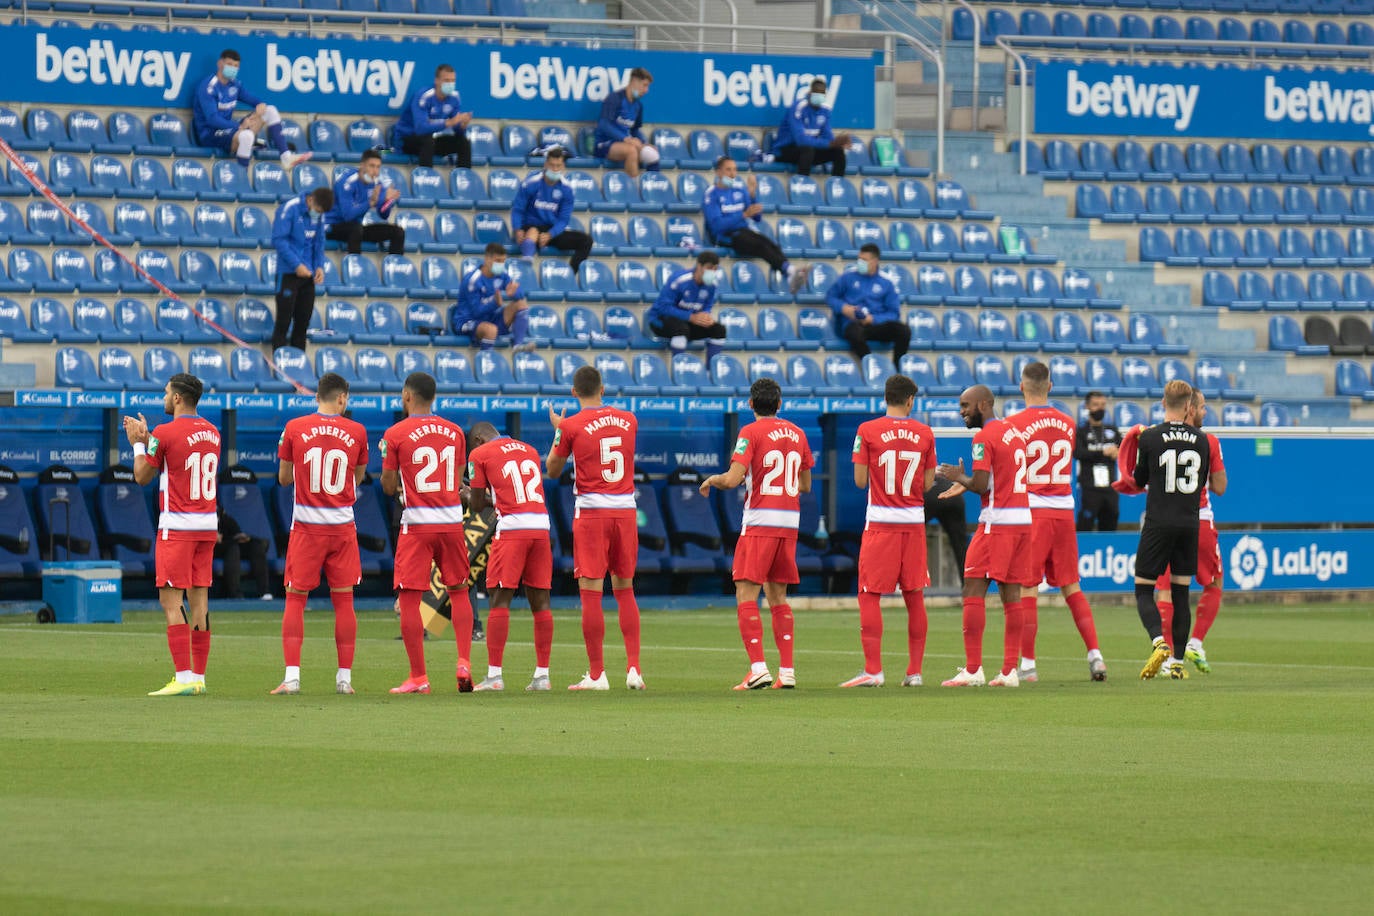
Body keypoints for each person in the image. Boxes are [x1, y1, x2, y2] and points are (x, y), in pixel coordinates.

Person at [699, 377, 813, 690]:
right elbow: (805, 485)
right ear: (779, 404)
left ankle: (758, 668)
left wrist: (713, 479)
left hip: (761, 521)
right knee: (778, 597)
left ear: (751, 404)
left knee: (746, 592)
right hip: (789, 523)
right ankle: (787, 671)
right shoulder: (798, 433)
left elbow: (734, 479)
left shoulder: (750, 432)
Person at [545, 365, 644, 691]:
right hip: (626, 511)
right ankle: (634, 669)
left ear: (574, 393)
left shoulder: (571, 425)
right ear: (603, 389)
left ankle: (598, 674)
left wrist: (559, 431)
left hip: (592, 512)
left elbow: (553, 470)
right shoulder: (629, 419)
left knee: (590, 592)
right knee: (625, 589)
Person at [122, 373, 221, 696]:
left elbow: (141, 476)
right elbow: (178, 456)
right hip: (206, 525)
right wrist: (151, 439)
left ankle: (182, 675)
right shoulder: (213, 432)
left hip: (177, 526)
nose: (164, 398)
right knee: (199, 600)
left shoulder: (164, 432)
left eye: (166, 393)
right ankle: (199, 678)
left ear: (178, 397)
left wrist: (139, 442)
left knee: (169, 599)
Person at [271, 372, 369, 696]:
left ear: (318, 396)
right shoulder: (357, 431)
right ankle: (344, 680)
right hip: (342, 527)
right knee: (344, 602)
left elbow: (284, 478)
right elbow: (358, 477)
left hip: (307, 527)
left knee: (296, 600)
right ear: (342, 398)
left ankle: (292, 677)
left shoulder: (294, 428)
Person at [381, 371, 478, 694]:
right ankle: (463, 661)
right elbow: (459, 477)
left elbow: (389, 484)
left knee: (409, 599)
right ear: (433, 397)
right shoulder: (454, 432)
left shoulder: (395, 433)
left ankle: (418, 677)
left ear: (407, 396)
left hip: (417, 523)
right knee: (459, 591)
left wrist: (397, 487)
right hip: (451, 521)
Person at [1010, 362, 1107, 683]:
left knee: (1028, 586)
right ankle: (1095, 656)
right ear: (1050, 387)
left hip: (1033, 511)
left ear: (1022, 386)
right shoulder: (1067, 423)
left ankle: (1028, 664)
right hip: (1064, 510)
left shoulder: (1014, 424)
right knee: (1071, 586)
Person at [841, 374, 936, 688]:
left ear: (886, 397)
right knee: (914, 595)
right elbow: (928, 483)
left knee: (869, 595)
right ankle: (915, 672)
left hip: (881, 523)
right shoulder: (925, 433)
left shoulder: (867, 430)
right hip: (913, 523)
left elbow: (857, 480)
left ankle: (873, 670)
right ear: (910, 400)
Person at [935, 384, 1032, 688]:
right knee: (1011, 596)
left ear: (984, 404)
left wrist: (957, 477)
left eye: (966, 405)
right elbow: (997, 478)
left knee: (972, 589)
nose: (961, 411)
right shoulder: (1014, 432)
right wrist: (967, 482)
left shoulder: (984, 436)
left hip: (996, 524)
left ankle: (974, 669)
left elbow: (980, 484)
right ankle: (1009, 671)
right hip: (1022, 522)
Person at [1140, 388, 1227, 674]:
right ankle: (1191, 646)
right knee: (1202, 586)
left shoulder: (1152, 435)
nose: (1204, 412)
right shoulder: (1207, 441)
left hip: (1160, 520)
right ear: (1189, 407)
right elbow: (1219, 487)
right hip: (1195, 520)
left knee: (1159, 592)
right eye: (1201, 407)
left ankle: (1163, 651)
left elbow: (1139, 479)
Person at [465, 421, 555, 692]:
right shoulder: (528, 450)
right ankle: (542, 676)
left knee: (498, 598)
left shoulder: (479, 455)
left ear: (479, 440)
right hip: (540, 527)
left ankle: (494, 676)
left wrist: (467, 493)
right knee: (541, 601)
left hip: (513, 528)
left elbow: (477, 504)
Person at [702, 156, 806, 295]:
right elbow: (716, 227)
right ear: (718, 172)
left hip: (744, 231)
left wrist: (752, 195)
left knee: (770, 244)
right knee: (760, 245)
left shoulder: (739, 189)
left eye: (735, 170)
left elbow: (757, 218)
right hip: (725, 237)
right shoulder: (711, 194)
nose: (733, 174)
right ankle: (789, 272)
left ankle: (789, 272)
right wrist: (743, 215)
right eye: (728, 170)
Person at [191, 49, 308, 170]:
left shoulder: (234, 85)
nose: (233, 68)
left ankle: (286, 157)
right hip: (210, 135)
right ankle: (243, 181)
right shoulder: (208, 87)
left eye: (236, 66)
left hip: (229, 132)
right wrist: (238, 126)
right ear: (220, 63)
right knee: (246, 136)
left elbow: (251, 99)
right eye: (229, 64)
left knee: (270, 110)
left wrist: (260, 104)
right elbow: (212, 120)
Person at [510, 147, 593, 273]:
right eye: (552, 165)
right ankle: (527, 258)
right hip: (531, 225)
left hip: (551, 230)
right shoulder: (531, 183)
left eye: (558, 166)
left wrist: (550, 234)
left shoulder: (567, 189)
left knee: (586, 241)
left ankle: (570, 274)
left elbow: (563, 220)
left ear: (563, 166)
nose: (555, 169)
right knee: (532, 231)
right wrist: (518, 229)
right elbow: (518, 209)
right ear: (545, 164)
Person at [270, 187, 333, 352]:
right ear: (311, 200)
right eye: (317, 210)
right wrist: (296, 265)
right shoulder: (289, 209)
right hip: (288, 273)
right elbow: (279, 241)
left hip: (308, 276)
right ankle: (280, 366)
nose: (318, 215)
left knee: (302, 324)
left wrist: (319, 266)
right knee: (283, 322)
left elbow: (319, 242)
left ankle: (298, 368)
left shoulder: (320, 214)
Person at [827, 243, 910, 363]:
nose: (860, 262)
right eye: (859, 259)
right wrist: (844, 308)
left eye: (864, 260)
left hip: (875, 325)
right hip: (853, 323)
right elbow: (831, 297)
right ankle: (872, 365)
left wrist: (873, 319)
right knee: (854, 333)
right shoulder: (847, 277)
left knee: (903, 330)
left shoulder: (886, 282)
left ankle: (898, 369)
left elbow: (893, 313)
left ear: (875, 261)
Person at [647, 250, 727, 365]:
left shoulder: (712, 284)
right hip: (660, 321)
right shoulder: (679, 280)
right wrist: (690, 317)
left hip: (688, 322)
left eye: (715, 269)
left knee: (718, 330)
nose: (712, 272)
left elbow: (708, 305)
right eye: (709, 268)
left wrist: (705, 314)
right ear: (699, 266)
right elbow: (663, 307)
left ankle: (710, 373)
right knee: (681, 329)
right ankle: (679, 369)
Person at [450, 242, 532, 352]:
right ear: (487, 259)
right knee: (491, 330)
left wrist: (514, 293)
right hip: (468, 321)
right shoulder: (473, 280)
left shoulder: (501, 275)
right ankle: (486, 361)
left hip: (489, 318)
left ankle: (518, 346)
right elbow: (476, 312)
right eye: (498, 261)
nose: (501, 265)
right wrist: (494, 303)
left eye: (503, 261)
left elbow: (518, 291)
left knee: (521, 304)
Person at [326, 149, 404, 256]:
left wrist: (387, 201)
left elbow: (383, 215)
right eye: (371, 166)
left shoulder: (377, 183)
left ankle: (395, 268)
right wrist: (370, 202)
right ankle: (355, 266)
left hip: (357, 228)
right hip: (333, 227)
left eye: (378, 167)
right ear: (362, 166)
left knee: (398, 232)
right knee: (356, 229)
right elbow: (347, 216)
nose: (375, 171)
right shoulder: (347, 182)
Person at [393, 63, 472, 168]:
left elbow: (457, 130)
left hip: (431, 142)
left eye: (453, 81)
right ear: (437, 81)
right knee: (427, 140)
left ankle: (464, 179)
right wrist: (448, 123)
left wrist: (462, 126)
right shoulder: (424, 96)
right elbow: (420, 129)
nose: (450, 84)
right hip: (406, 140)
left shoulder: (455, 98)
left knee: (463, 142)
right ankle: (427, 178)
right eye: (447, 80)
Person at [771, 78, 850, 177]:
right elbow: (801, 140)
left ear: (825, 95)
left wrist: (838, 143)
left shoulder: (825, 110)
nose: (818, 96)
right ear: (809, 93)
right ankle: (803, 185)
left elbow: (828, 137)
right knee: (807, 150)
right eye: (816, 92)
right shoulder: (798, 107)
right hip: (785, 151)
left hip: (809, 151)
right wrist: (830, 143)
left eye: (821, 93)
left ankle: (838, 185)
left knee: (838, 151)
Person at [594, 67, 659, 178]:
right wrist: (626, 139)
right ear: (634, 81)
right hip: (604, 144)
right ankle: (633, 190)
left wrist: (644, 143)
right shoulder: (615, 98)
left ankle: (652, 188)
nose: (646, 90)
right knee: (631, 151)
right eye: (644, 85)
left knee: (652, 153)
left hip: (625, 143)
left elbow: (635, 130)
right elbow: (604, 125)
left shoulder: (638, 106)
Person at [1075, 390, 1121, 532]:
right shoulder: (1081, 431)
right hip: (1090, 488)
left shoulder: (1112, 430)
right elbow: (1078, 453)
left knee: (1110, 524)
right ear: (1087, 407)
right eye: (1095, 405)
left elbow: (1123, 449)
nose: (1100, 408)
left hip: (1110, 488)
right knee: (1085, 525)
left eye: (1102, 405)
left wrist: (1118, 452)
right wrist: (1103, 452)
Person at [215, 504, 270, 600]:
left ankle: (264, 592)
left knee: (255, 544)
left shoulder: (219, 510)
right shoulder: (196, 509)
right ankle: (235, 594)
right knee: (233, 547)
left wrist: (239, 535)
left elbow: (228, 523)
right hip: (209, 545)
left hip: (226, 539)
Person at [923, 476, 967, 580]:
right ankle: (968, 585)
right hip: (953, 495)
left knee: (911, 539)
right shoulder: (936, 470)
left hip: (931, 494)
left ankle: (908, 583)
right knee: (961, 545)